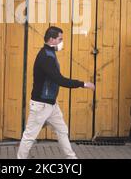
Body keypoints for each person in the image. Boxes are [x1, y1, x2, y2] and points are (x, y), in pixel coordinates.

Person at [17, 26, 95, 159]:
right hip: (41, 104)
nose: (61, 42)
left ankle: (72, 158)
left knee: (62, 130)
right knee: (29, 136)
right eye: (60, 39)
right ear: (52, 40)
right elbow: (59, 80)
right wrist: (83, 84)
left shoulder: (50, 53)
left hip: (51, 104)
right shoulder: (45, 57)